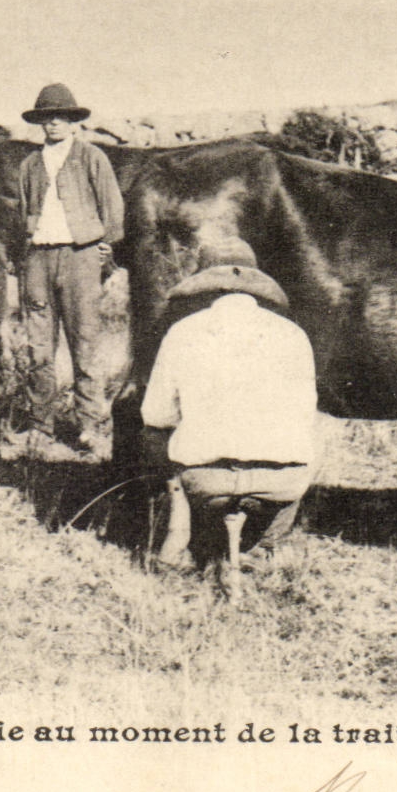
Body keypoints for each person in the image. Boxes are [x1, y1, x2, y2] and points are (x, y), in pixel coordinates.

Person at [141, 238, 319, 591]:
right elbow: (305, 414)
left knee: (154, 434)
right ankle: (264, 546)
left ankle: (180, 532)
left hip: (206, 483)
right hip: (278, 485)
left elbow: (155, 414)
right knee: (312, 443)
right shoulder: (293, 334)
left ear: (204, 285)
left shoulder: (183, 331)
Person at [13, 83, 124, 454]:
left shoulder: (91, 157)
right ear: (40, 123)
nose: (54, 124)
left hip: (81, 257)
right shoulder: (29, 164)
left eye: (61, 117)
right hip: (38, 259)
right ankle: (40, 425)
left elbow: (112, 207)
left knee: (85, 341)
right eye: (47, 118)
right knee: (39, 345)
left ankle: (89, 425)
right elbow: (22, 213)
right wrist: (26, 254)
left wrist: (105, 247)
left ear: (73, 122)